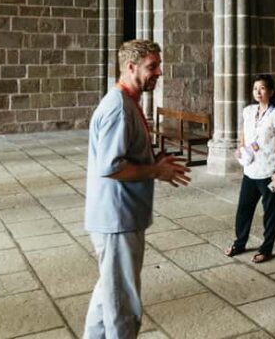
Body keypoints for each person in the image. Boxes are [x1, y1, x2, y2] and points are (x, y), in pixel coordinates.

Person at [84, 40, 190, 338]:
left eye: (158, 65)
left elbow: (124, 156)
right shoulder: (119, 107)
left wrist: (154, 160)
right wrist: (156, 170)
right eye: (152, 66)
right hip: (117, 218)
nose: (159, 72)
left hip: (119, 215)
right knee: (123, 305)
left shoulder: (127, 102)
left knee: (108, 293)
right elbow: (112, 166)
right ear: (131, 67)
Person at [225, 74, 275, 263]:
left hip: (269, 171)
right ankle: (240, 242)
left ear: (271, 92)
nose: (258, 92)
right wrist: (241, 147)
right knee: (244, 208)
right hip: (250, 169)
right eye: (255, 89)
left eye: (262, 88)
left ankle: (266, 248)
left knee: (270, 212)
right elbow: (244, 133)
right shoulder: (249, 111)